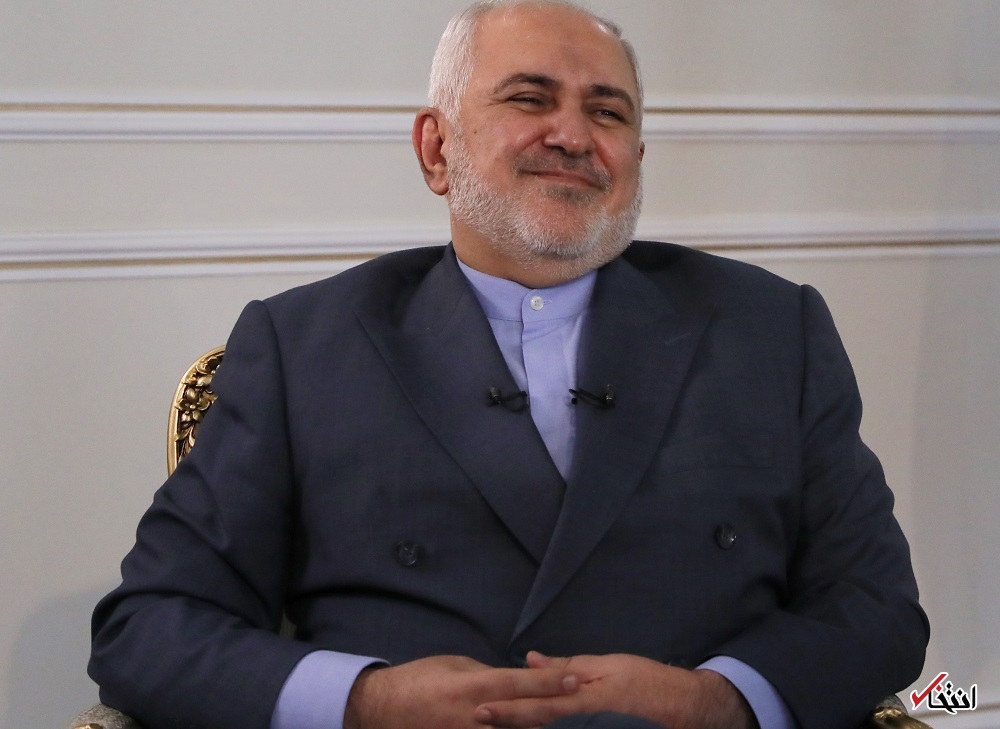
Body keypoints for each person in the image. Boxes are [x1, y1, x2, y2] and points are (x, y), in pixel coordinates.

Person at [88, 2, 929, 729]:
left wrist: (716, 699)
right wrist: (365, 701)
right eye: (530, 98)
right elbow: (149, 626)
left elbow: (877, 608)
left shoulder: (772, 330)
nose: (573, 135)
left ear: (637, 158)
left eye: (607, 112)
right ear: (436, 149)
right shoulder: (301, 344)